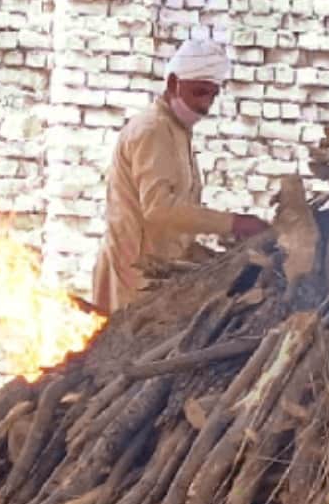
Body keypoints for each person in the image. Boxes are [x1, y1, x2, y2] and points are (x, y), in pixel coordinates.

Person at [92, 37, 269, 314]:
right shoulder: (152, 130)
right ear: (174, 83)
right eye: (199, 92)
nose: (205, 105)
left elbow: (179, 215)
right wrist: (234, 223)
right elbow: (159, 209)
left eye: (212, 96)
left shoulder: (176, 129)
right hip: (134, 273)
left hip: (159, 272)